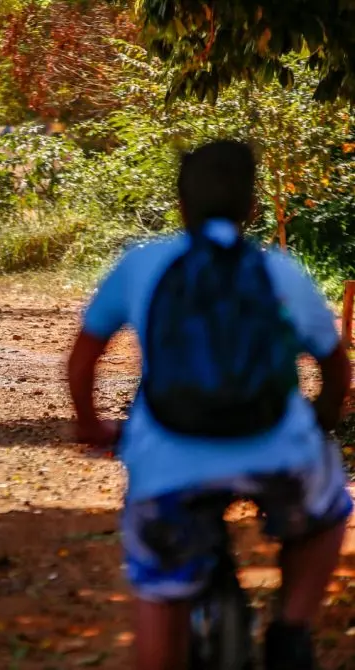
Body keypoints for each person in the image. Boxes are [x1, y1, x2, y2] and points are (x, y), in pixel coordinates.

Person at [67, 140, 352, 670]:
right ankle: (292, 630)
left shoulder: (143, 264)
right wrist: (321, 420)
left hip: (169, 462)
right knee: (327, 514)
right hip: (280, 456)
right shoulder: (282, 272)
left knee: (161, 588)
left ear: (180, 203)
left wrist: (91, 426)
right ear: (251, 207)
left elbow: (83, 361)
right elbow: (335, 366)